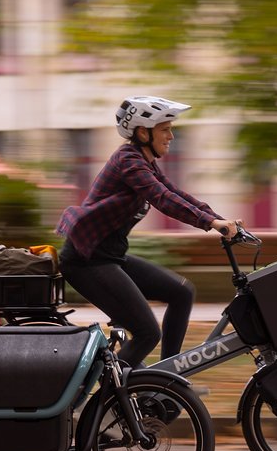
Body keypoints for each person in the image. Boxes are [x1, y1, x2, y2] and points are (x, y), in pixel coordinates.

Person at [57, 96, 240, 369]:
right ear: (143, 132)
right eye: (165, 129)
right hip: (87, 261)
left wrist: (216, 218)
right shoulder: (128, 161)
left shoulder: (145, 162)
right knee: (147, 333)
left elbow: (174, 192)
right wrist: (209, 223)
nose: (171, 136)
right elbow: (161, 198)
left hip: (109, 257)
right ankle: (103, 399)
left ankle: (169, 375)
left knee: (182, 293)